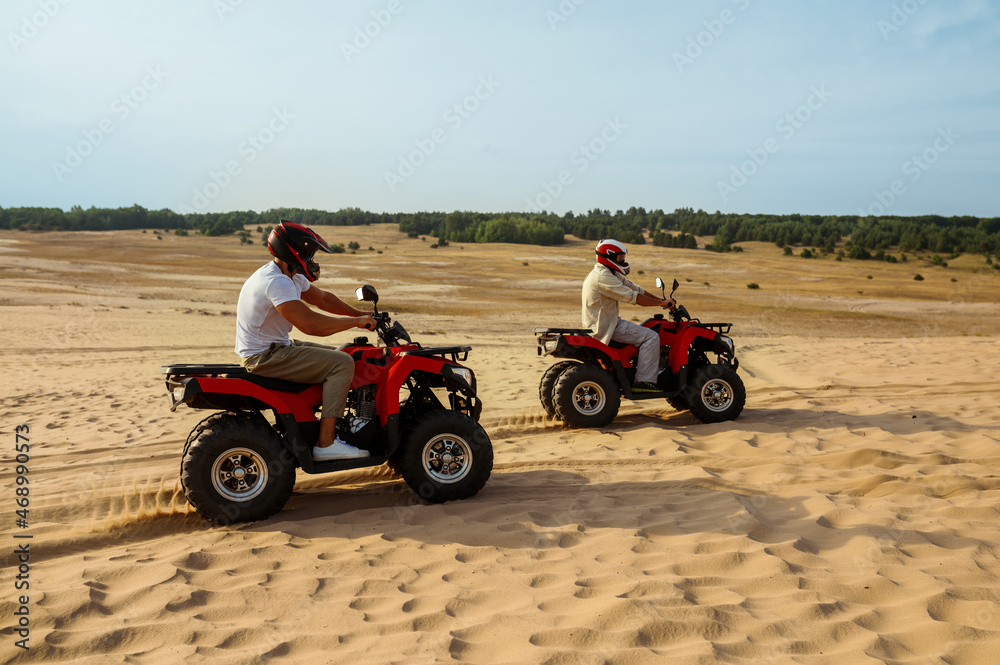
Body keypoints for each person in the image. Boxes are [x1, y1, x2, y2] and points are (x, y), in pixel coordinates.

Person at [235, 221, 375, 461]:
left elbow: (324, 301)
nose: (312, 259)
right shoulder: (276, 282)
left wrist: (361, 316)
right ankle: (326, 443)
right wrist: (355, 323)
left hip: (275, 347)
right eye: (309, 253)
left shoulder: (286, 274)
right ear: (293, 252)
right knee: (342, 364)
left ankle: (329, 424)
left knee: (342, 354)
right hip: (265, 356)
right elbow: (311, 325)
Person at [582, 239, 675, 394]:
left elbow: (635, 288)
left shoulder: (608, 272)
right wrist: (660, 303)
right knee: (651, 337)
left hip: (606, 322)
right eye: (620, 258)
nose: (623, 261)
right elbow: (634, 297)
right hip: (607, 326)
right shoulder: (602, 277)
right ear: (608, 256)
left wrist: (662, 301)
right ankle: (644, 382)